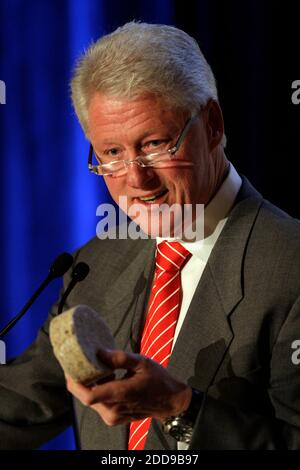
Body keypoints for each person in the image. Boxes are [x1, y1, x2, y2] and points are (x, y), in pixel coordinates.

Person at [1, 21, 300, 451]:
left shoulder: (289, 266)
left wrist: (180, 407)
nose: (136, 179)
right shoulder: (96, 263)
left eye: (156, 144)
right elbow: (21, 400)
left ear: (212, 124)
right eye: (112, 154)